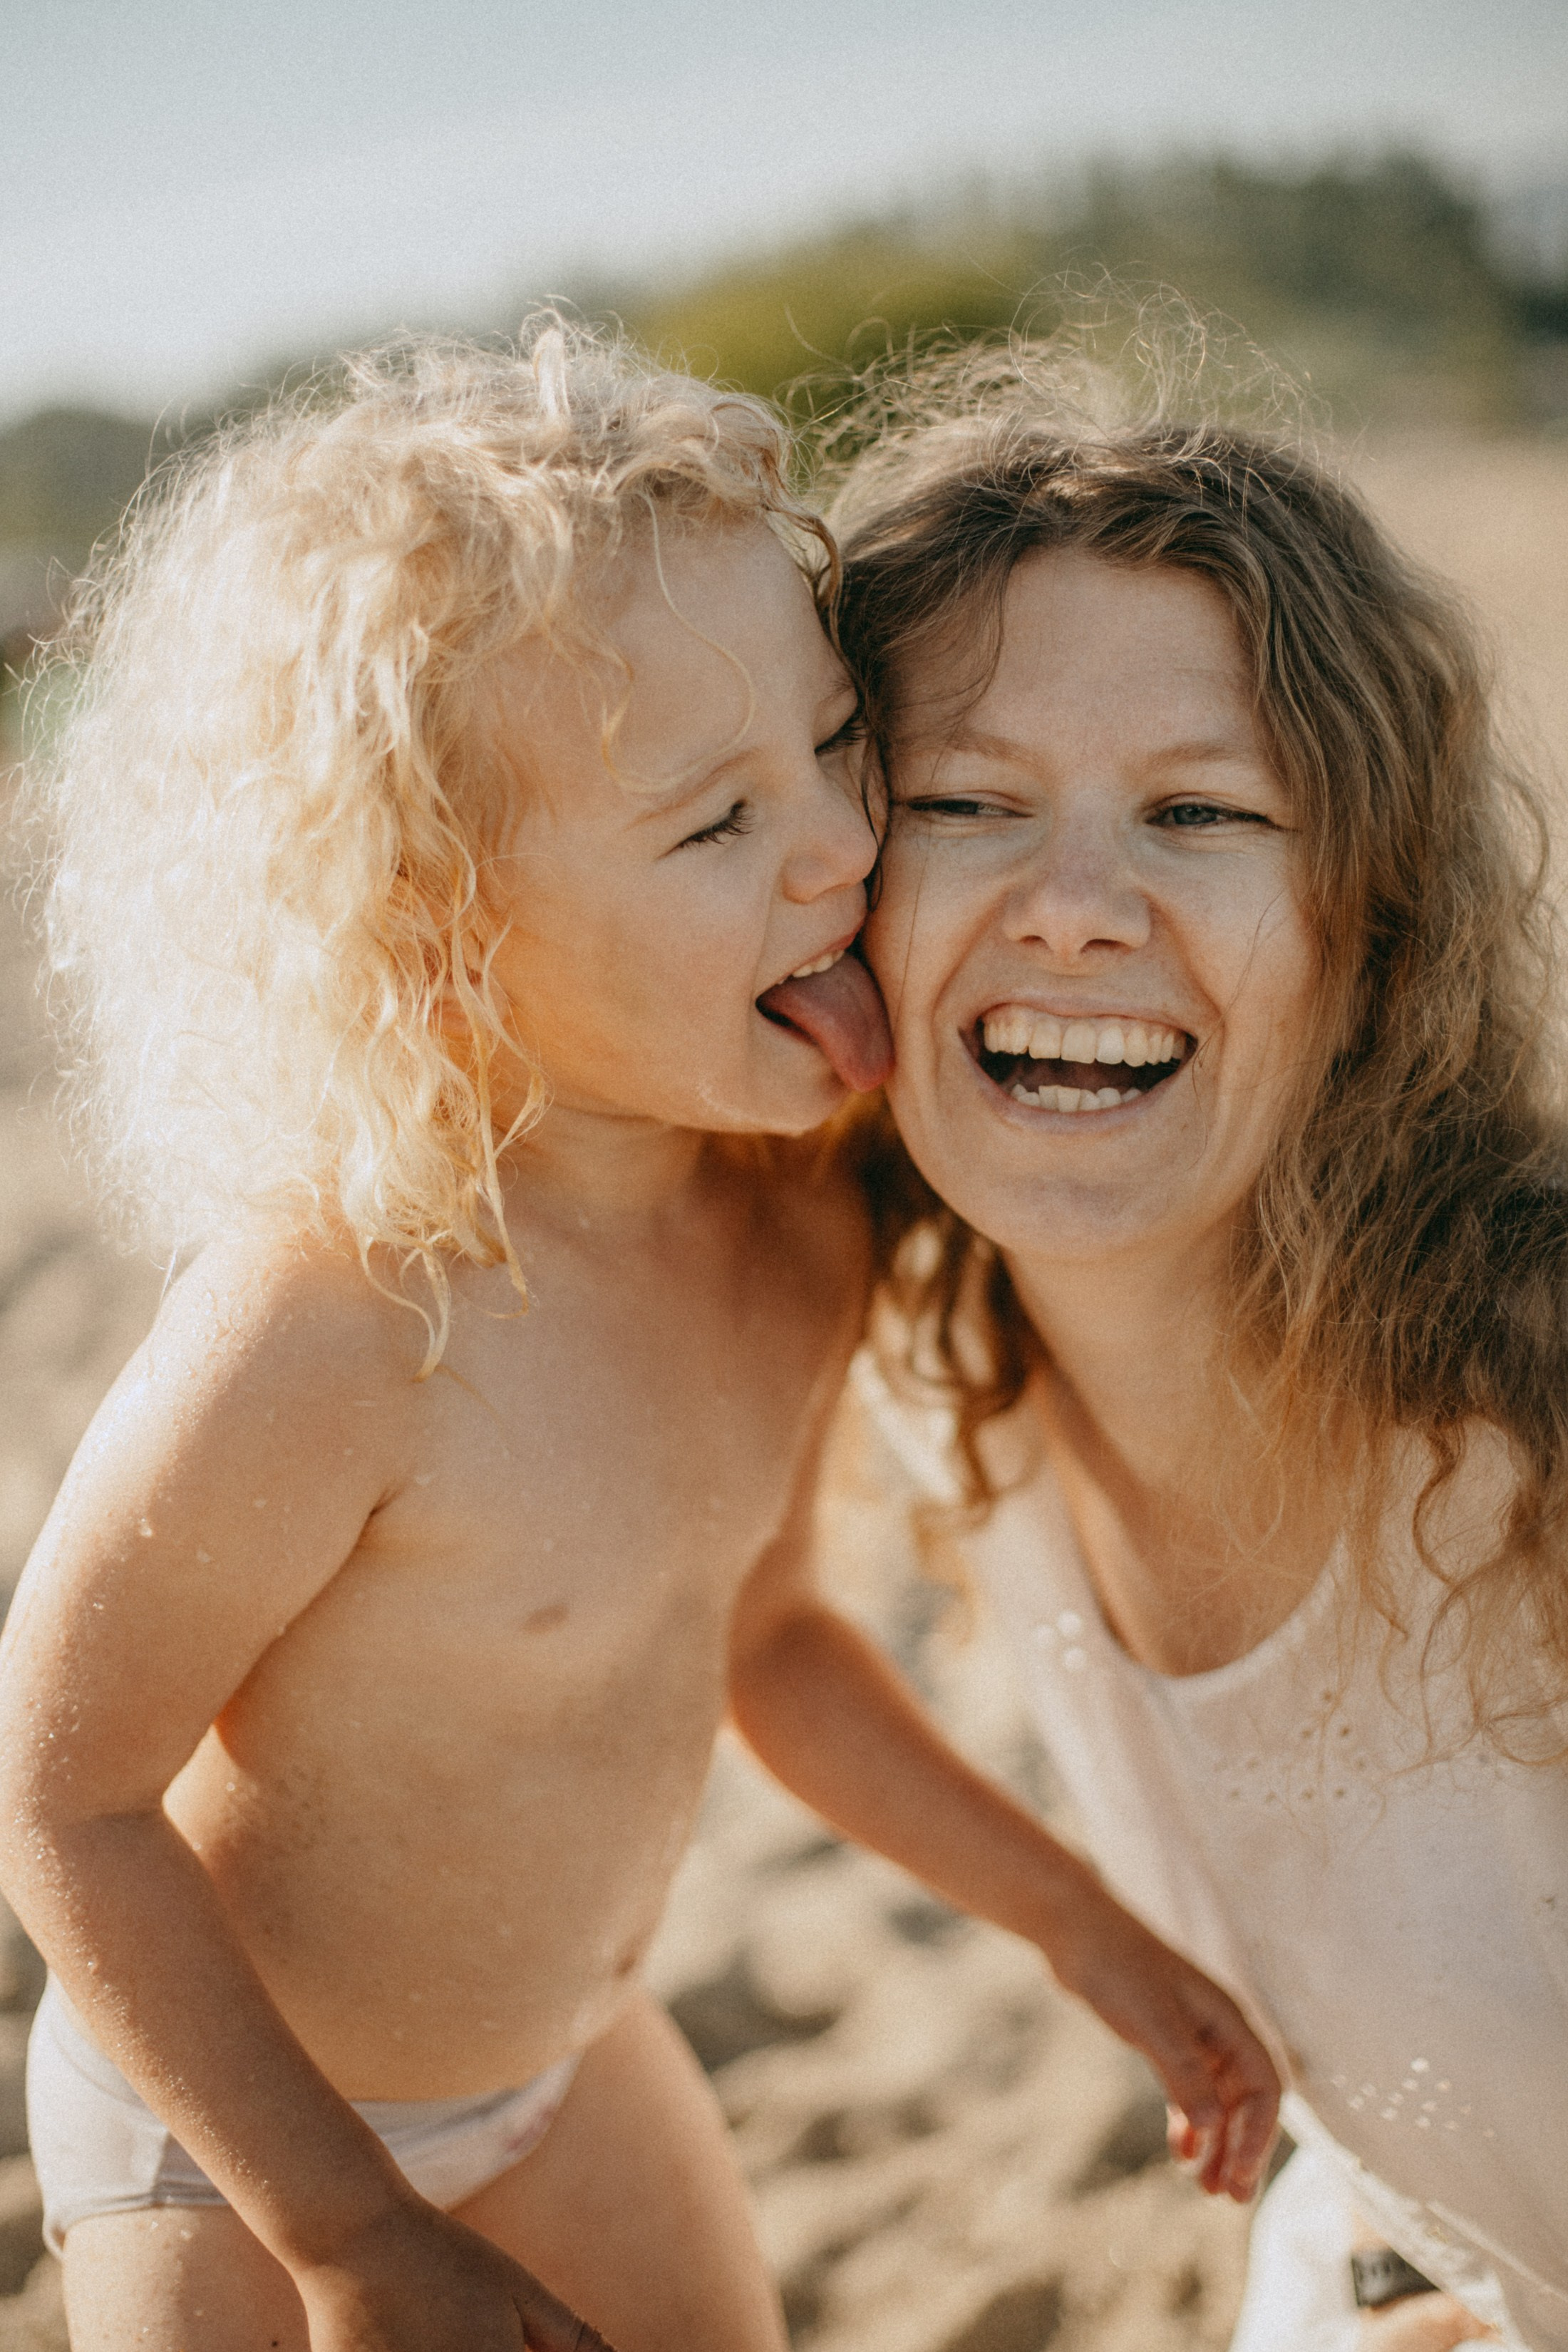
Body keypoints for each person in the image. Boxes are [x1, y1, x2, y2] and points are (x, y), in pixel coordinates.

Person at [0, 322, 1277, 2352]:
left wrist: (1079, 1924)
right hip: (230, 2135)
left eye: (837, 743)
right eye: (715, 825)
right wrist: (344, 2230)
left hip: (571, 2062)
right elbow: (65, 1795)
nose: (844, 847)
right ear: (432, 940)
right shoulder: (341, 1317)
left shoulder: (793, 1224)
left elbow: (764, 1638)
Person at [832, 349, 1568, 2351]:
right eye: (968, 801)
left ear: (1369, 932)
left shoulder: (1530, 1424)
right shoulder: (936, 1361)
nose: (1074, 906)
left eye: (1202, 810)